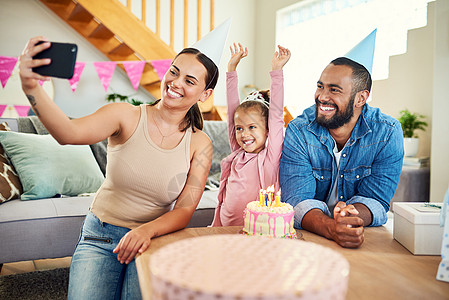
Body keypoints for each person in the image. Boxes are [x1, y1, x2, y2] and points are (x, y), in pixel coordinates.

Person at [19, 37, 217, 299]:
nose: (176, 83)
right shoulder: (125, 115)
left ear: (205, 94)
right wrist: (30, 86)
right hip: (100, 237)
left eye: (190, 81)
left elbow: (183, 210)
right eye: (174, 71)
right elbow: (68, 133)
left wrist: (145, 231)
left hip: (152, 240)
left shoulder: (200, 144)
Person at [279, 57, 404, 248]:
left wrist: (348, 218)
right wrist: (332, 228)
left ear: (361, 98)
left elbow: (376, 200)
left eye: (334, 90)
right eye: (320, 86)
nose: (322, 96)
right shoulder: (299, 130)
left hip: (363, 236)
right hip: (309, 240)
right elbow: (296, 202)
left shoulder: (387, 132)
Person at [212, 43, 290, 226]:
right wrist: (231, 69)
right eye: (240, 128)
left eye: (252, 127)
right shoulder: (237, 152)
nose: (244, 134)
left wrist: (277, 70)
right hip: (225, 228)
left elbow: (277, 114)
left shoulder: (271, 155)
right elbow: (232, 114)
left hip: (257, 230)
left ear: (268, 130)